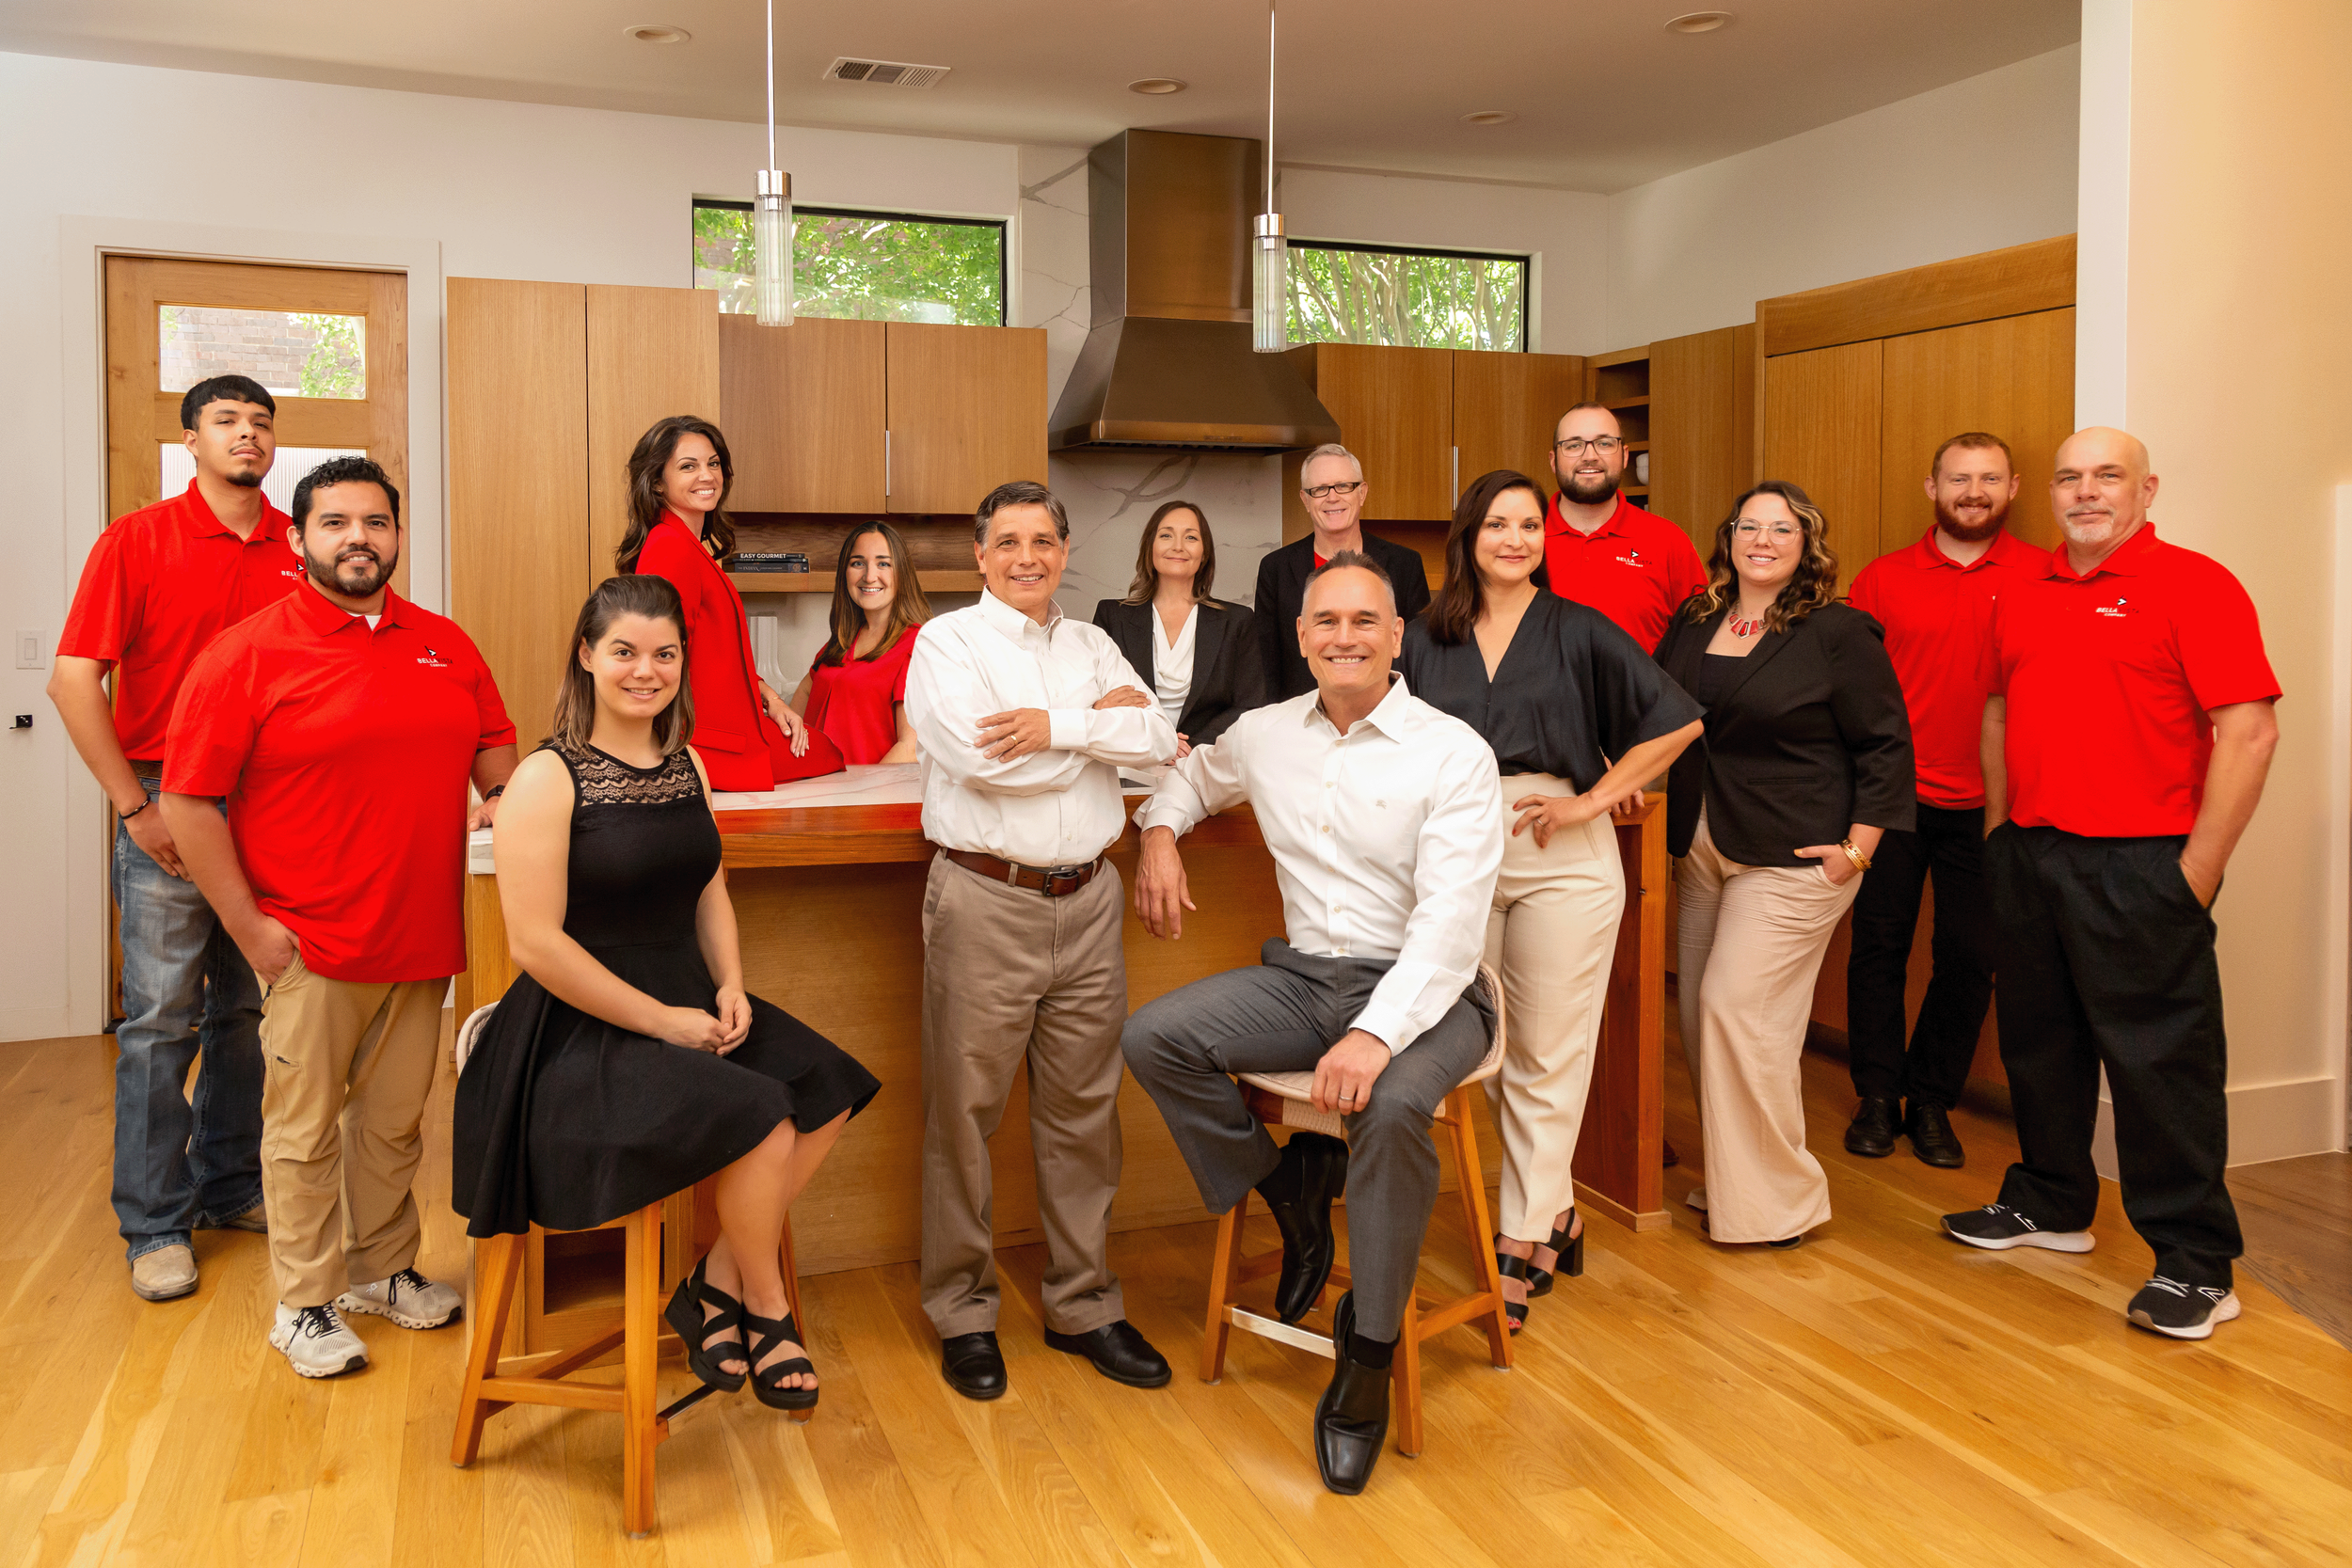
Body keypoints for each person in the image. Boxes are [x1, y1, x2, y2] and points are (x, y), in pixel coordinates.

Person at [1124, 550, 1503, 1496]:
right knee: (1153, 1036)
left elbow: (1450, 926)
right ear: (1299, 637)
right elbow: (1189, 778)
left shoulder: (1452, 750)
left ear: (1395, 635)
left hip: (1434, 992)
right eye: (1326, 621)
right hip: (1305, 981)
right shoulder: (1264, 733)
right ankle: (1289, 1186)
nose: (1344, 637)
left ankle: (1366, 1359)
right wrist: (1160, 835)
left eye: (1364, 621)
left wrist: (1376, 1034)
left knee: (1387, 1109)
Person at [453, 575, 879, 1410]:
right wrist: (664, 1023)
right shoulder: (546, 776)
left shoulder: (685, 764)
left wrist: (730, 985)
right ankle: (764, 1303)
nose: (645, 670)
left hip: (684, 992)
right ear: (587, 656)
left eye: (664, 654)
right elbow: (533, 944)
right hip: (577, 1031)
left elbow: (709, 888)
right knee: (761, 1113)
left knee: (830, 1087)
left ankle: (712, 1282)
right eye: (624, 652)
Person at [159, 457, 520, 1378]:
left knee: (395, 1122)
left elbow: (494, 745)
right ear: (300, 537)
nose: (358, 537)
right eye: (336, 523)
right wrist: (250, 929)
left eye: (375, 522)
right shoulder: (246, 653)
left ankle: (380, 1267)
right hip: (308, 941)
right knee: (302, 1125)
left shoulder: (442, 641)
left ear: (397, 536)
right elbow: (189, 802)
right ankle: (304, 1301)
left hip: (423, 932)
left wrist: (501, 796)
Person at [1944, 428, 2279, 1341]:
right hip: (2033, 852)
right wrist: (2000, 834)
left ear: (2145, 488)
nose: (2086, 492)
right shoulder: (2020, 591)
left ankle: (2195, 1262)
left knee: (2158, 1063)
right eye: (2069, 477)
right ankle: (2052, 1199)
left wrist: (2195, 873)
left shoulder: (2196, 585)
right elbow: (1998, 708)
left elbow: (2247, 731)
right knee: (2039, 1042)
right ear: (2047, 492)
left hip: (2142, 860)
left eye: (2107, 476)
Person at [1401, 470, 1703, 1330]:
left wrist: (1592, 799)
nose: (1515, 538)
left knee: (1551, 1050)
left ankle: (1525, 1233)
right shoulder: (1425, 635)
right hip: (1458, 851)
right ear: (1469, 534)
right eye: (1498, 523)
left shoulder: (1579, 630)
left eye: (1530, 525)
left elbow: (1677, 720)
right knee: (1485, 1045)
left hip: (1561, 850)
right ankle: (1557, 1209)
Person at [901, 480, 1178, 1402]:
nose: (1028, 556)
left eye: (1044, 540)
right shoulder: (946, 642)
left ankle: (1083, 1303)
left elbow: (1154, 740)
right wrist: (1099, 736)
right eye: (1008, 541)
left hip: (1089, 899)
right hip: (989, 898)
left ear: (1064, 550)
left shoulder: (1092, 640)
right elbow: (985, 761)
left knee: (1084, 1114)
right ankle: (963, 1309)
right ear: (980, 556)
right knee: (965, 1116)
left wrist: (1056, 727)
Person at [49, 373, 305, 1303]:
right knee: (159, 1018)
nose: (248, 434)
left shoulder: (299, 544)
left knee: (245, 1009)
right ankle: (154, 1221)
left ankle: (229, 1186)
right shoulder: (137, 540)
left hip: (270, 806)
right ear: (191, 439)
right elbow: (75, 681)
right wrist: (134, 806)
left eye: (261, 422)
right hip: (165, 796)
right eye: (227, 421)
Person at [1654, 483, 1914, 1249]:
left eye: (1782, 528)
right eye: (1749, 526)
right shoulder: (1698, 617)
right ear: (1728, 537)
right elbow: (1661, 712)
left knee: (1740, 1009)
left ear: (1807, 545)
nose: (1762, 539)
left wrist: (1858, 850)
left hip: (1799, 853)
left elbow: (1886, 743)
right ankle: (1737, 1181)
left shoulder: (1837, 632)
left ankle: (1779, 1201)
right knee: (1706, 1018)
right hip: (1703, 842)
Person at [1842, 434, 2041, 1169]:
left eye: (1989, 478)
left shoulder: (2047, 575)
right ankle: (1874, 1094)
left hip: (1995, 807)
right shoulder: (1883, 579)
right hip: (1891, 798)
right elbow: (1850, 694)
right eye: (1960, 478)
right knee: (1878, 949)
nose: (1974, 491)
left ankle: (1930, 1098)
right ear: (1932, 487)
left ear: (2013, 487)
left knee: (1968, 956)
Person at [619, 414, 845, 788]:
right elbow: (658, 656)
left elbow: (712, 653)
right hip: (709, 746)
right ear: (658, 483)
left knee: (824, 751)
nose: (707, 476)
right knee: (827, 754)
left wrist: (771, 699)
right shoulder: (670, 547)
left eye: (713, 463)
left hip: (728, 734)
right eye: (688, 466)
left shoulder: (687, 546)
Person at [1254, 445, 1433, 701]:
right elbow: (1266, 665)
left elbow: (1420, 657)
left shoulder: (1405, 564)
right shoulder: (1276, 569)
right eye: (1319, 490)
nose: (1332, 497)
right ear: (1305, 500)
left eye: (1343, 486)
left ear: (1362, 493)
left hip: (1387, 719)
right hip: (1301, 723)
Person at [1091, 499, 1265, 753]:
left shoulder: (1237, 621)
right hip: (1128, 759)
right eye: (1166, 535)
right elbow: (1094, 699)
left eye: (1191, 538)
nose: (1178, 547)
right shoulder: (1112, 616)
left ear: (1204, 553)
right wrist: (1156, 744)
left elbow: (1250, 705)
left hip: (1206, 761)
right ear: (1150, 547)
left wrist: (1188, 746)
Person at [1542, 404, 1708, 653]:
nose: (1589, 456)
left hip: (1640, 693)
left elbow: (1700, 637)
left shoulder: (1668, 541)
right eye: (1574, 445)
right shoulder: (1521, 539)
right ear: (1554, 460)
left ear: (1625, 455)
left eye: (1605, 443)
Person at [788, 521, 930, 764]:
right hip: (820, 792)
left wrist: (860, 796)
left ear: (902, 573)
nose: (869, 576)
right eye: (858, 563)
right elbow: (805, 690)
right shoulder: (842, 640)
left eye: (883, 563)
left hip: (871, 797)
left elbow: (910, 747)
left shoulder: (917, 645)